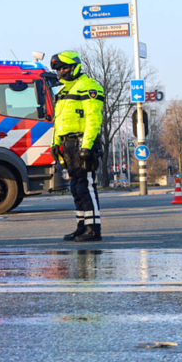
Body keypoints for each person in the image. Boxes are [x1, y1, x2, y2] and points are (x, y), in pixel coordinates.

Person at [49, 51, 104, 242]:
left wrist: (86, 146)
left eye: (64, 68)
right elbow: (58, 121)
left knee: (85, 185)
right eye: (58, 69)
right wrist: (55, 144)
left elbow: (93, 119)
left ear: (75, 67)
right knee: (75, 187)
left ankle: (93, 229)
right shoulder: (63, 91)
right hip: (67, 144)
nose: (61, 72)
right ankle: (82, 226)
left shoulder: (88, 86)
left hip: (82, 142)